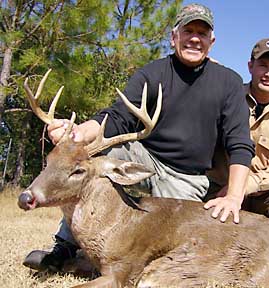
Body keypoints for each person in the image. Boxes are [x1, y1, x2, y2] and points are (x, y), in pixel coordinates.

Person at [23, 3, 255, 272]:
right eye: (187, 30)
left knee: (177, 244)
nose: (194, 38)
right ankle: (64, 246)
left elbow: (239, 142)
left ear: (211, 41)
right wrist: (77, 134)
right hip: (145, 158)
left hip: (187, 178)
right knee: (91, 159)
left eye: (201, 33)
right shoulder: (152, 73)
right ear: (173, 36)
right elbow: (116, 118)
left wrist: (234, 197)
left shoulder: (227, 82)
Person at [207, 38, 269, 228]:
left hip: (261, 194)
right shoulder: (228, 95)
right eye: (263, 65)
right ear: (250, 66)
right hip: (218, 188)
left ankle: (263, 249)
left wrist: (244, 186)